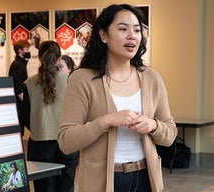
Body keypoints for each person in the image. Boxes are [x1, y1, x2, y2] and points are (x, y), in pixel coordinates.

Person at [57, 4, 177, 192]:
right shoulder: (82, 79)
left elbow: (170, 134)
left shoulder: (152, 78)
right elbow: (66, 142)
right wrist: (105, 121)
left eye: (137, 30)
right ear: (103, 35)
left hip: (146, 178)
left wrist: (153, 125)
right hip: (102, 181)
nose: (132, 35)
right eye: (123, 29)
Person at [24, 40, 78, 192]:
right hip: (67, 141)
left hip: (40, 144)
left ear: (39, 58)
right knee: (66, 188)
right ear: (60, 58)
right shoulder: (70, 80)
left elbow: (26, 118)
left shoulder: (29, 83)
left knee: (44, 189)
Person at [9, 39, 31, 137]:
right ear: (19, 50)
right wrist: (26, 101)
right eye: (26, 49)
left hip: (20, 104)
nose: (28, 51)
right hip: (19, 105)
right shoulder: (18, 65)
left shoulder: (20, 64)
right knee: (19, 131)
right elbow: (17, 85)